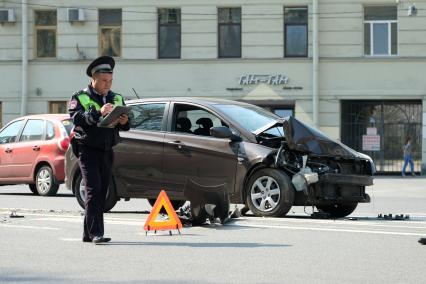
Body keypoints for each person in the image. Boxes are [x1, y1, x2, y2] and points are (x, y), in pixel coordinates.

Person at [68, 56, 130, 244]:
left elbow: (126, 126)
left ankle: (88, 234)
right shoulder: (80, 96)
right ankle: (96, 233)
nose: (107, 85)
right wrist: (98, 112)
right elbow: (76, 118)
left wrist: (125, 121)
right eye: (103, 81)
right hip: (87, 150)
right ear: (93, 79)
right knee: (93, 190)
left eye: (110, 81)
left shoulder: (116, 98)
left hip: (107, 150)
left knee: (102, 191)